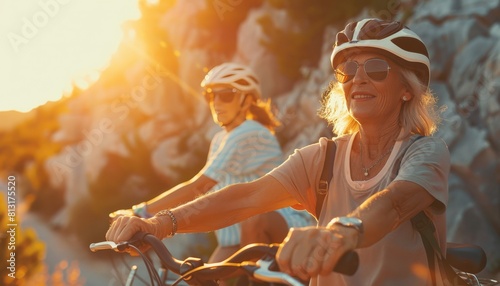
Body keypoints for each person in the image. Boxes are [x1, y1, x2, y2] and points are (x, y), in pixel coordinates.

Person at [106, 18, 450, 286]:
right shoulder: (324, 157)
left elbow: (394, 203)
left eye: (375, 69)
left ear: (408, 89)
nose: (357, 79)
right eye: (348, 70)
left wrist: (337, 233)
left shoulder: (424, 152)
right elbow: (246, 197)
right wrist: (158, 223)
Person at [109, 62, 313, 273]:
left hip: (281, 227)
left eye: (226, 95)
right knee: (201, 278)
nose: (216, 102)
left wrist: (141, 213)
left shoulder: (250, 131)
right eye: (211, 95)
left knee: (253, 223)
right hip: (235, 240)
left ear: (247, 100)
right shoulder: (219, 139)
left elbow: (201, 185)